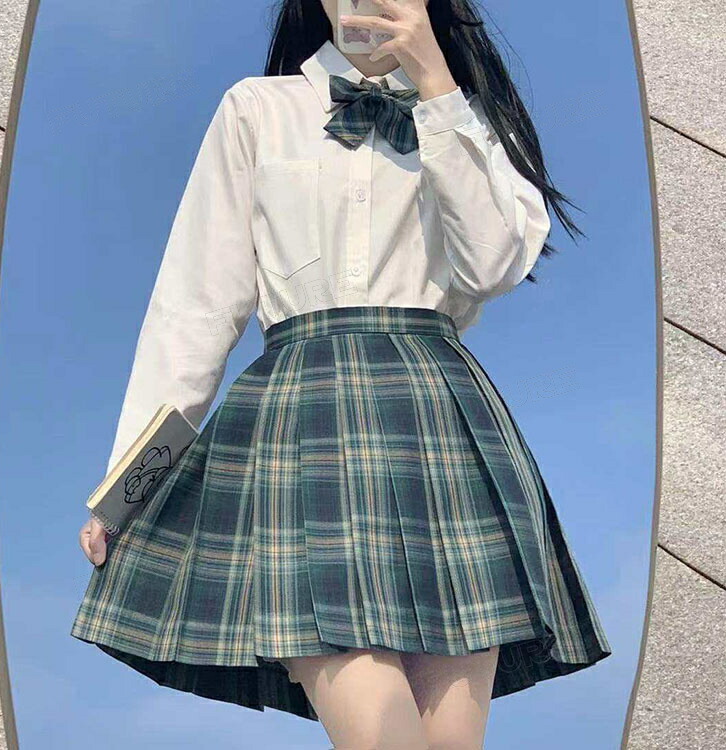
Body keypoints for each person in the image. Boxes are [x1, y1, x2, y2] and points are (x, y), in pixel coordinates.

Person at [74, 1, 612, 747]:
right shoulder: (257, 108)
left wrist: (437, 86)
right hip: (303, 420)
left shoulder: (477, 121)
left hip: (441, 419)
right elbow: (195, 305)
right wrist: (129, 486)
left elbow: (491, 265)